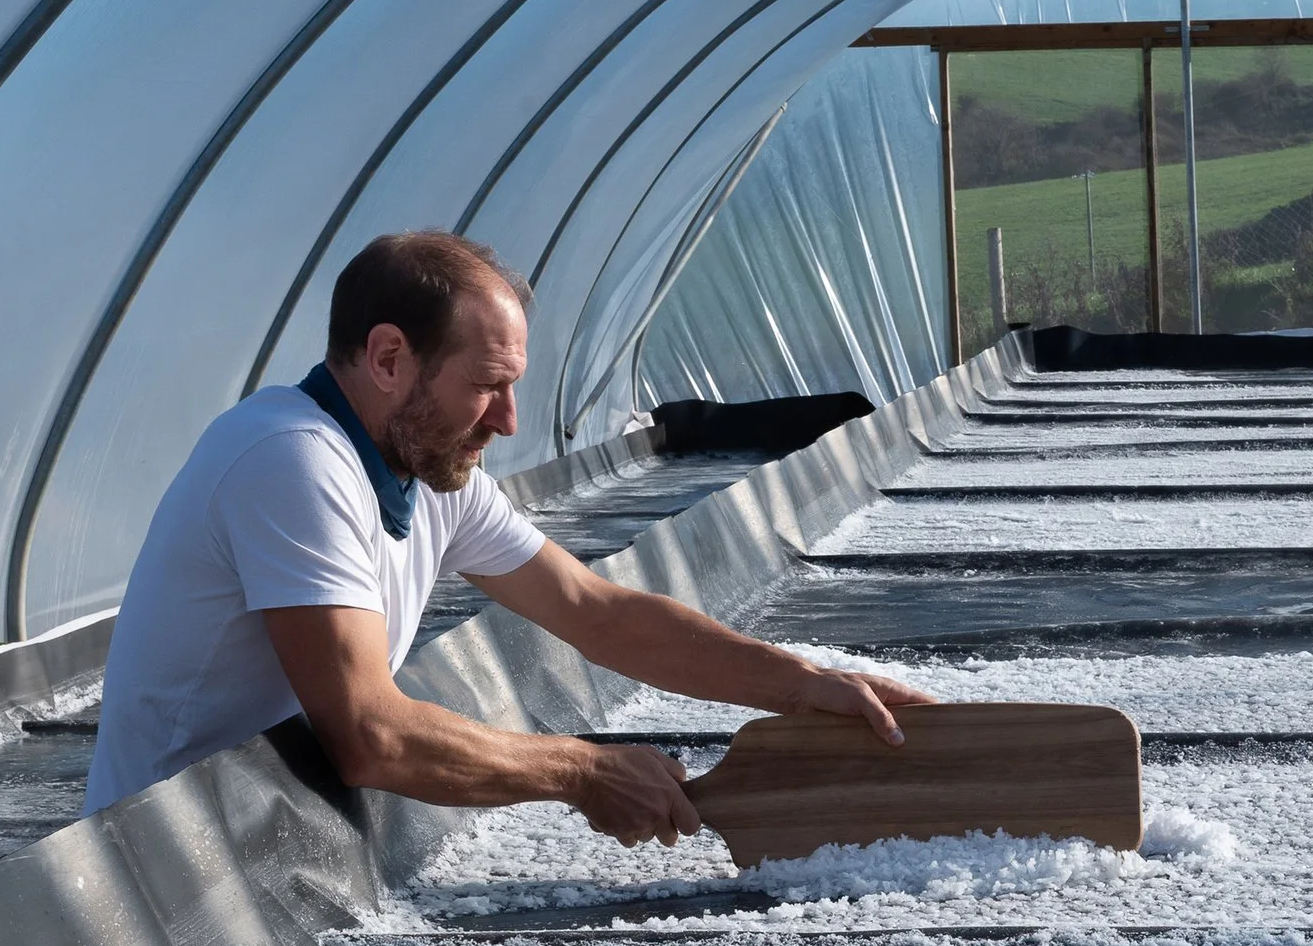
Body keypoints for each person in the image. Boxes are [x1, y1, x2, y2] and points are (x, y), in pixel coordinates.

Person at [83, 229, 931, 837]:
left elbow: (598, 614)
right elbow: (369, 733)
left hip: (266, 834)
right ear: (388, 360)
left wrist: (804, 684)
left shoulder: (430, 467)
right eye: (490, 385)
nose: (513, 420)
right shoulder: (291, 460)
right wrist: (584, 769)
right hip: (162, 865)